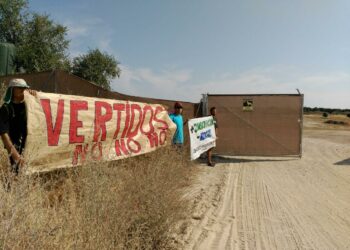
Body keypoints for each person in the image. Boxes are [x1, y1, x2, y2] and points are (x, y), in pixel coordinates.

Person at [0, 78, 36, 174]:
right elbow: (4, 134)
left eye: (24, 88)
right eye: (19, 88)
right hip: (14, 146)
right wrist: (15, 155)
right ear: (12, 90)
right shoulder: (6, 108)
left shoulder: (28, 105)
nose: (23, 90)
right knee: (16, 173)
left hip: (30, 145)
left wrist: (35, 96)